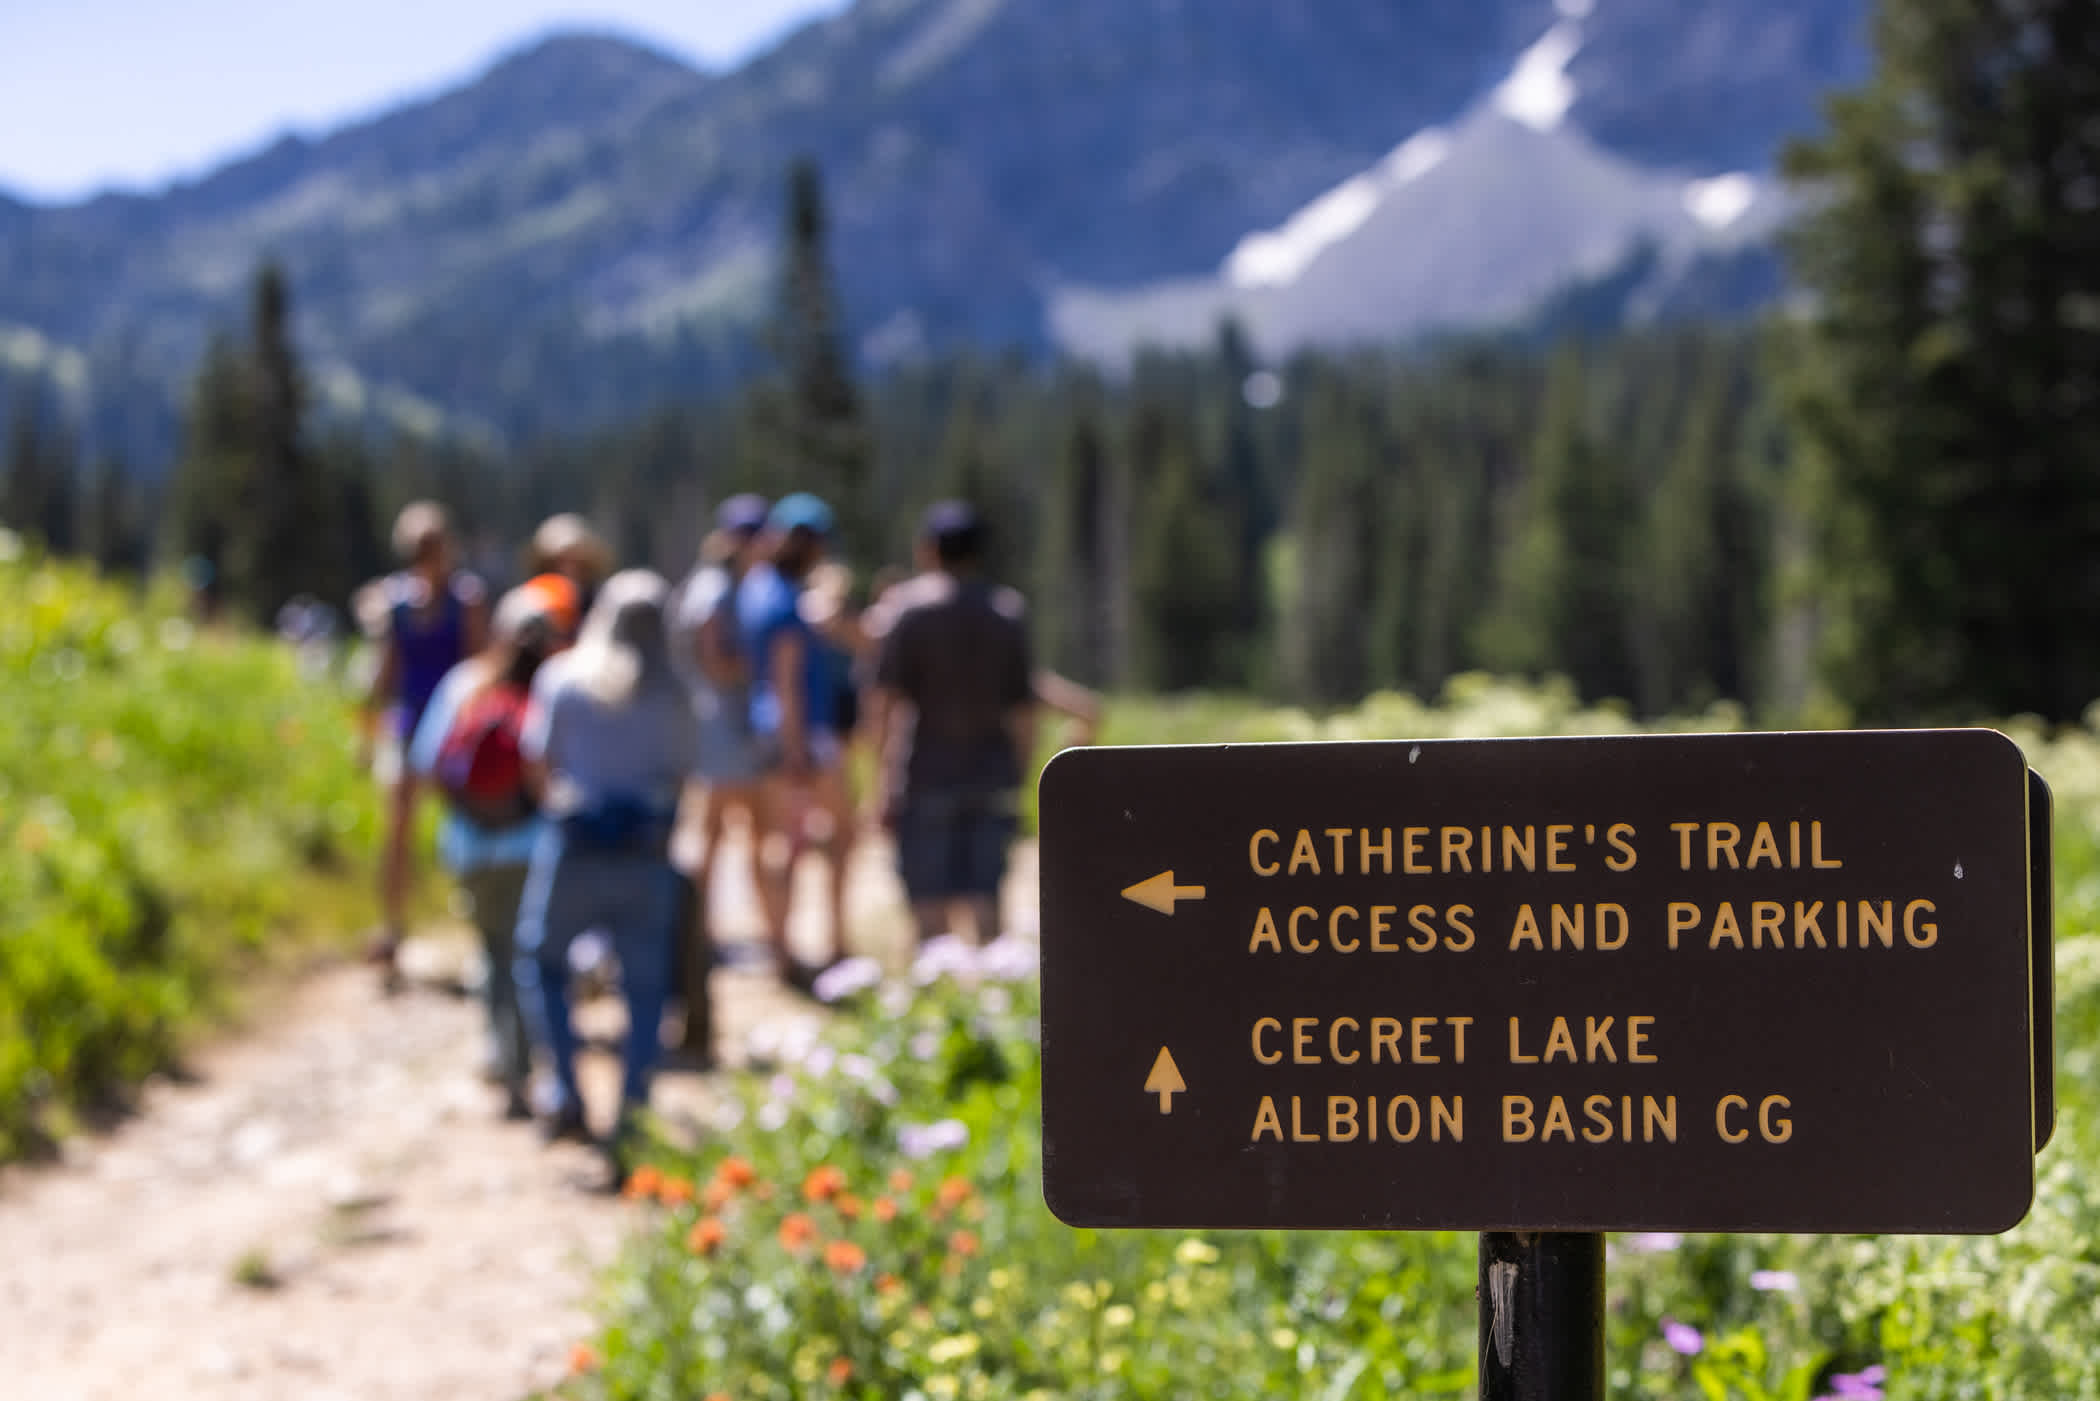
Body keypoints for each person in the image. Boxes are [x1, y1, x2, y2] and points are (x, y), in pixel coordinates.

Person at [512, 570, 695, 1176]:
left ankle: (565, 1089)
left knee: (542, 964)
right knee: (645, 992)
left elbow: (539, 761)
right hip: (647, 850)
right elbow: (684, 776)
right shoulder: (678, 694)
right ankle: (633, 1115)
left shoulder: (563, 680)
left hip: (575, 843)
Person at [407, 587, 566, 1120]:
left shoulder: (464, 687)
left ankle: (505, 1061)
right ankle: (534, 1063)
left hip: (471, 847)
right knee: (531, 957)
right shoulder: (555, 688)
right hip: (534, 845)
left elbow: (428, 765)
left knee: (495, 956)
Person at [868, 502, 1038, 946]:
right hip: (991, 770)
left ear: (929, 550)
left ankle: (937, 1002)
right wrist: (1018, 777)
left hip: (926, 772)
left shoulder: (909, 612)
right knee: (986, 896)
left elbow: (885, 703)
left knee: (928, 903)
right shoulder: (1006, 612)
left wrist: (881, 781)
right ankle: (994, 1000)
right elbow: (1024, 710)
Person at [363, 502, 489, 989]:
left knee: (469, 826)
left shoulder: (467, 599)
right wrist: (368, 728)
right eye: (421, 549)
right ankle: (393, 928)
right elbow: (385, 671)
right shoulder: (395, 604)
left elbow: (479, 664)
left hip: (455, 728)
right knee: (398, 828)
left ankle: (481, 930)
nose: (429, 556)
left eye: (434, 547)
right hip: (410, 724)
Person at [667, 493, 771, 1062]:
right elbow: (715, 658)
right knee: (731, 833)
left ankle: (706, 934)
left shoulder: (712, 584)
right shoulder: (716, 591)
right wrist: (770, 666)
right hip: (721, 726)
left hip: (711, 725)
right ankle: (715, 935)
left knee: (715, 834)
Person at [737, 492, 854, 989]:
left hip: (764, 728)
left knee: (781, 843)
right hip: (800, 734)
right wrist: (797, 749)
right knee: (838, 835)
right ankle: (831, 943)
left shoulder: (755, 586)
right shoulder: (786, 601)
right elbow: (787, 682)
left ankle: (780, 947)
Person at [528, 513, 612, 621]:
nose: (568, 570)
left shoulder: (602, 605)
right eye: (559, 562)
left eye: (577, 563)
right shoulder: (529, 603)